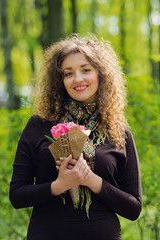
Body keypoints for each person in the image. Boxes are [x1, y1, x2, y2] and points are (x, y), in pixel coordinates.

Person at [9, 34, 142, 239]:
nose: (78, 79)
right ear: (60, 81)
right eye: (68, 73)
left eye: (86, 70)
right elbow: (17, 196)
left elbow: (133, 209)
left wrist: (91, 180)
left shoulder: (119, 133)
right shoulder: (38, 125)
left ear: (101, 74)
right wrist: (58, 186)